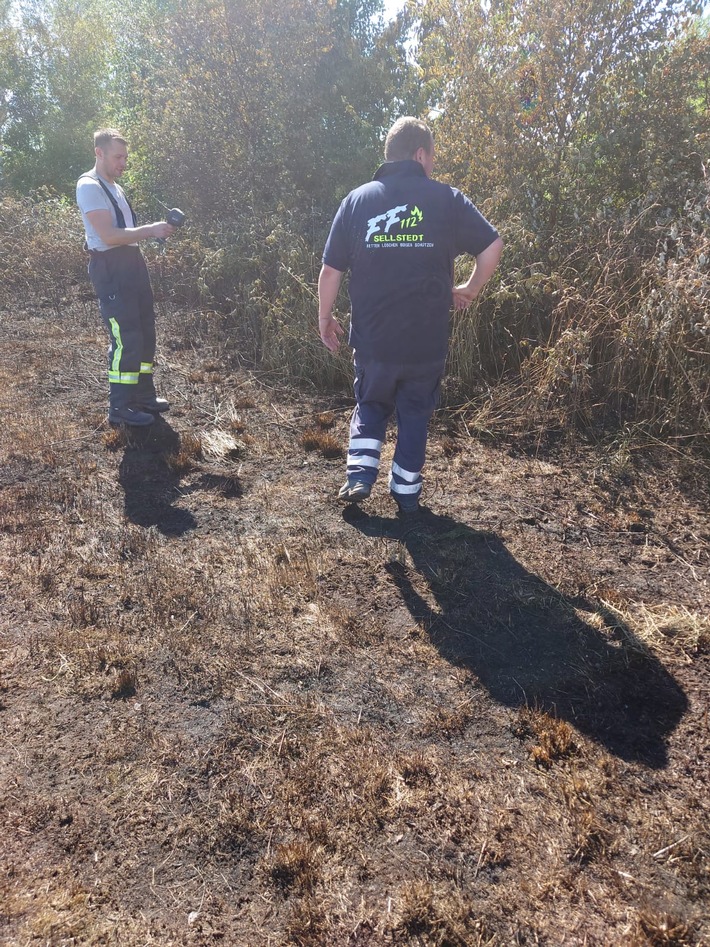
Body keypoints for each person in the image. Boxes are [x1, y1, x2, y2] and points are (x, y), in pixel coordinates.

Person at [318, 116, 503, 515]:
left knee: (370, 402)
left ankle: (360, 475)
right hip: (426, 340)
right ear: (421, 154)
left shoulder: (357, 200)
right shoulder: (448, 200)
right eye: (432, 157)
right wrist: (469, 289)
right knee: (415, 411)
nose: (433, 165)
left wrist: (324, 318)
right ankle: (405, 493)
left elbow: (331, 270)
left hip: (373, 337)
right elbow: (492, 245)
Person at [76, 128, 176, 426]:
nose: (123, 163)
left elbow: (126, 234)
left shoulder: (114, 187)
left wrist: (151, 232)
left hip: (132, 263)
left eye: (125, 157)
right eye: (118, 157)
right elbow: (107, 235)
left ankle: (143, 396)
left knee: (145, 331)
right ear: (99, 153)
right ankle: (119, 407)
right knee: (126, 336)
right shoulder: (89, 186)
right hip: (110, 267)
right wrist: (150, 230)